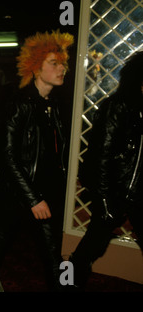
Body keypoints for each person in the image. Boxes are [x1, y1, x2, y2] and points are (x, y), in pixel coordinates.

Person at [0, 30, 74, 291]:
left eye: (63, 64)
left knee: (52, 256)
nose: (62, 69)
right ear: (36, 68)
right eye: (54, 63)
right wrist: (32, 198)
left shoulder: (56, 104)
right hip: (15, 197)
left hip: (45, 194)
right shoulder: (19, 103)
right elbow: (8, 157)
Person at [70, 51, 143, 289]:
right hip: (115, 192)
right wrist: (103, 199)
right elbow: (99, 159)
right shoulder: (117, 108)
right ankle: (70, 282)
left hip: (137, 194)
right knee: (91, 247)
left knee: (93, 244)